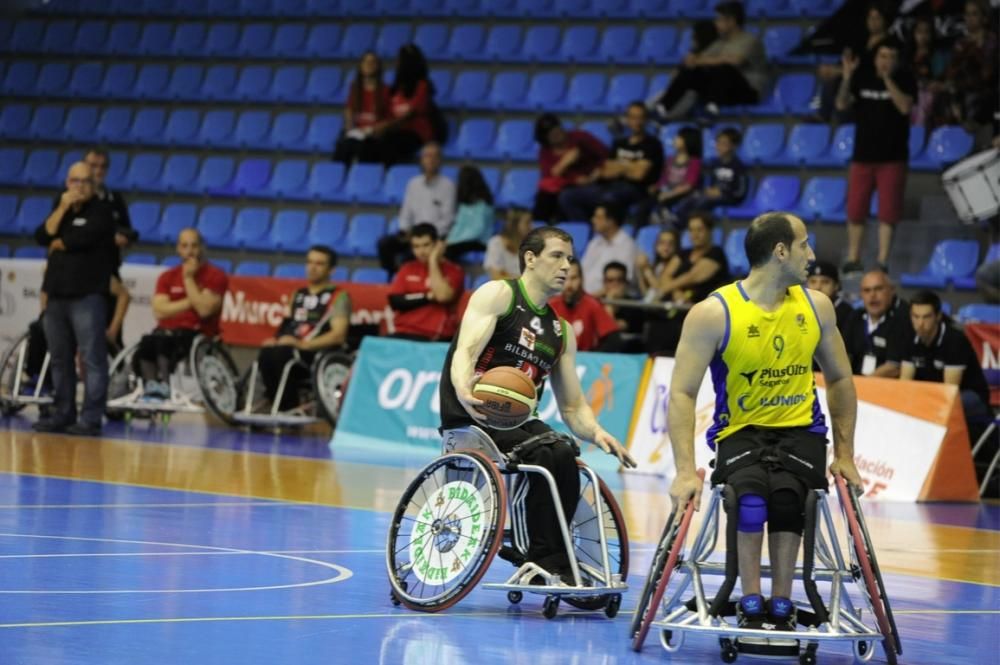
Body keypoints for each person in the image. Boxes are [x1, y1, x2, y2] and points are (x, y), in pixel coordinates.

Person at [669, 211, 863, 633]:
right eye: (804, 245)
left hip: (802, 431)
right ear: (780, 251)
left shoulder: (817, 307)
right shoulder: (713, 313)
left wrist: (845, 453)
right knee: (751, 496)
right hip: (740, 432)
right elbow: (682, 394)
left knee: (790, 500)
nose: (811, 256)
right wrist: (685, 471)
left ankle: (782, 600)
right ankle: (750, 596)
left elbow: (841, 379)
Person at [439, 225, 635, 580]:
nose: (566, 267)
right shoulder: (499, 295)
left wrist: (598, 433)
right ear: (530, 258)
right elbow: (465, 351)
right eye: (556, 256)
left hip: (517, 420)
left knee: (564, 448)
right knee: (550, 451)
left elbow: (573, 407)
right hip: (475, 411)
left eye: (570, 259)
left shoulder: (561, 331)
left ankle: (554, 557)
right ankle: (544, 558)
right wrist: (464, 389)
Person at [31, 161, 117, 435]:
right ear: (67, 183)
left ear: (93, 186)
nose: (78, 187)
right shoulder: (62, 207)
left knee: (92, 358)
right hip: (57, 295)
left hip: (87, 296)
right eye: (73, 181)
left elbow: (82, 238)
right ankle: (63, 412)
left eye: (84, 181)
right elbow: (42, 236)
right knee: (59, 358)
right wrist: (62, 209)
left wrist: (60, 241)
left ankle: (91, 417)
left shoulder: (102, 212)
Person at [836, 38, 917, 274]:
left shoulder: (905, 79)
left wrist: (887, 80)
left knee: (887, 212)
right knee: (855, 209)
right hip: (862, 156)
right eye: (883, 56)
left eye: (891, 57)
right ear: (875, 58)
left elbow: (904, 107)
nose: (886, 61)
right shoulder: (861, 78)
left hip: (892, 158)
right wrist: (847, 76)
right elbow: (841, 104)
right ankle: (854, 257)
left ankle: (882, 261)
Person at [137, 228, 228, 401]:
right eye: (185, 246)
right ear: (178, 249)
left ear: (201, 248)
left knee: (166, 341)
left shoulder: (216, 276)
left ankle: (165, 386)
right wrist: (192, 300)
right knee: (147, 342)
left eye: (194, 245)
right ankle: (152, 387)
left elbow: (204, 310)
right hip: (165, 330)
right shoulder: (167, 276)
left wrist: (188, 279)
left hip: (197, 333)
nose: (190, 251)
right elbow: (159, 311)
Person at [257, 246, 350, 411]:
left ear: (332, 270)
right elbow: (288, 324)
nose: (312, 268)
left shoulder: (339, 296)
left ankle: (289, 408)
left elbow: (338, 335)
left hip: (316, 352)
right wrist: (276, 339)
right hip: (291, 348)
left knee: (280, 355)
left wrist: (303, 345)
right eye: (309, 262)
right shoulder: (297, 294)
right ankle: (274, 402)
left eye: (319, 264)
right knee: (267, 353)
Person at [650, 1, 769, 122]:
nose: (716, 23)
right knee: (692, 71)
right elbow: (697, 60)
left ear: (732, 21)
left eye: (719, 20)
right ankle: (663, 107)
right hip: (722, 91)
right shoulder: (720, 42)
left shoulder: (750, 41)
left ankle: (711, 109)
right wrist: (690, 63)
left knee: (725, 69)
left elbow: (736, 61)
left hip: (748, 92)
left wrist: (702, 61)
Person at [901, 290, 991, 430]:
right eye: (916, 317)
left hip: (969, 395)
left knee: (936, 407)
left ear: (938, 316)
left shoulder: (955, 340)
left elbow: (949, 390)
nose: (920, 323)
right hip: (932, 394)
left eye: (926, 317)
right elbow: (904, 384)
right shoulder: (908, 337)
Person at [559, 102, 664, 222]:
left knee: (609, 198)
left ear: (646, 120)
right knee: (567, 196)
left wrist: (619, 167)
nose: (637, 121)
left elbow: (639, 175)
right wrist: (631, 166)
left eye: (640, 117)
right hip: (608, 186)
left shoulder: (653, 144)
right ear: (627, 119)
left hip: (635, 191)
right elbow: (606, 171)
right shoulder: (619, 143)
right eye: (633, 117)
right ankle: (585, 231)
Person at [377, 142, 455, 275]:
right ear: (421, 159)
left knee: (411, 255)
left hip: (434, 236)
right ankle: (394, 276)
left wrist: (426, 233)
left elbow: (448, 219)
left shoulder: (448, 186)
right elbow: (405, 212)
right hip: (412, 234)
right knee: (384, 244)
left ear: (440, 160)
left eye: (434, 156)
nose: (430, 160)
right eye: (427, 156)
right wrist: (405, 229)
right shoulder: (413, 184)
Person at [809, 2, 892, 124]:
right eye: (870, 18)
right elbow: (849, 62)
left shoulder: (889, 44)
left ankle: (838, 118)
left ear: (884, 20)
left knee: (843, 87)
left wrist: (838, 71)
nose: (873, 22)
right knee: (832, 81)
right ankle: (823, 116)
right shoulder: (861, 41)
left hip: (874, 86)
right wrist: (832, 69)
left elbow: (873, 71)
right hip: (854, 82)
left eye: (877, 18)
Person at [387, 223, 464, 341]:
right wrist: (428, 296)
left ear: (437, 244)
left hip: (434, 337)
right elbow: (395, 301)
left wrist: (433, 261)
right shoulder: (407, 268)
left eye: (426, 245)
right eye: (416, 247)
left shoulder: (454, 271)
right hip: (403, 333)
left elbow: (442, 296)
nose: (421, 251)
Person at [932, 0, 998, 130]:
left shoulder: (992, 42)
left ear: (984, 18)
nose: (969, 18)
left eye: (974, 14)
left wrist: (953, 85)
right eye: (967, 14)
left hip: (984, 94)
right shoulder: (961, 43)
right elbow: (951, 70)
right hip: (959, 91)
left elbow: (987, 75)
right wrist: (941, 83)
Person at [531, 113, 608, 222]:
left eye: (558, 130)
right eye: (552, 134)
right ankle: (539, 229)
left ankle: (580, 230)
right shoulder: (545, 152)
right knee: (545, 197)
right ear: (545, 139)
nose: (557, 135)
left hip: (594, 183)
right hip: (567, 186)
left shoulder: (580, 138)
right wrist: (565, 163)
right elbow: (550, 175)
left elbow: (605, 154)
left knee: (565, 197)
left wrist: (596, 173)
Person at [840, 269, 911, 377]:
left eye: (878, 289)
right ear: (861, 294)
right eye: (867, 290)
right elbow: (844, 356)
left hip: (886, 388)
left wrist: (864, 385)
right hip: (856, 383)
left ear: (891, 290)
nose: (872, 295)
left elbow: (893, 367)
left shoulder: (902, 318)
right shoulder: (856, 317)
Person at [672, 128, 748, 226]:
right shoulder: (715, 164)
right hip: (715, 194)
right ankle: (676, 218)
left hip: (729, 197)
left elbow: (740, 192)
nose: (719, 146)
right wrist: (710, 190)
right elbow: (712, 184)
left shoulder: (738, 167)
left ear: (733, 146)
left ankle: (687, 223)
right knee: (692, 197)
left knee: (705, 201)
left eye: (724, 143)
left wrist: (723, 192)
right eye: (718, 142)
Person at [654, 211, 731, 305]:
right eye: (691, 230)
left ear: (710, 231)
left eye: (699, 230)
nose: (695, 234)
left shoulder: (716, 253)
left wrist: (664, 289)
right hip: (675, 305)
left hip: (702, 307)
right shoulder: (683, 253)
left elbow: (692, 277)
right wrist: (676, 292)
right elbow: (666, 275)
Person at [332, 51, 392, 165]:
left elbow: (389, 120)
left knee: (365, 148)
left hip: (374, 135)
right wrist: (349, 126)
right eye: (365, 62)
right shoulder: (355, 88)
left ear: (378, 66)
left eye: (372, 62)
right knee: (343, 145)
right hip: (356, 133)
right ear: (360, 66)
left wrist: (373, 129)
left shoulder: (385, 90)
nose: (369, 65)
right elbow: (349, 109)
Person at [549, 260, 622, 353]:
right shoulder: (552, 305)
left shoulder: (592, 304)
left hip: (583, 362)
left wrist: (592, 359)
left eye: (573, 278)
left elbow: (613, 338)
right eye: (564, 278)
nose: (568, 285)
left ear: (582, 279)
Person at [580, 204, 638, 295]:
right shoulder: (595, 242)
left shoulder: (627, 246)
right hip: (582, 297)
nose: (593, 220)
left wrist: (589, 300)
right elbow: (582, 270)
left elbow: (620, 283)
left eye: (598, 217)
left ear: (610, 221)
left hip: (605, 300)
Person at [650, 126, 703, 226]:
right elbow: (664, 179)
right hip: (668, 192)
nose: (675, 139)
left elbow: (689, 185)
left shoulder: (694, 162)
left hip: (683, 194)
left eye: (679, 137)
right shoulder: (670, 159)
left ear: (688, 140)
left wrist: (669, 194)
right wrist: (657, 187)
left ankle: (672, 221)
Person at [445, 165, 495, 262]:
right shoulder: (464, 204)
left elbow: (477, 230)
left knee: (448, 252)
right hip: (464, 241)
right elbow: (458, 225)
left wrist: (454, 242)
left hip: (479, 242)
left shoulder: (483, 204)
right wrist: (448, 240)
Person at [806, 260, 854, 334]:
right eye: (813, 282)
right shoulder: (801, 308)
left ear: (836, 286)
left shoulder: (848, 314)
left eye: (825, 282)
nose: (818, 287)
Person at [484, 209, 533, 280]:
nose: (531, 226)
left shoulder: (531, 245)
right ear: (514, 225)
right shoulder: (496, 243)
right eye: (527, 223)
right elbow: (496, 277)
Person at [636, 228, 684, 299]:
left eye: (671, 243)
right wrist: (640, 269)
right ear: (656, 245)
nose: (666, 247)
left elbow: (660, 291)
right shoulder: (656, 265)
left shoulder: (677, 264)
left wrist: (646, 269)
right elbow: (646, 294)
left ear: (676, 246)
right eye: (662, 242)